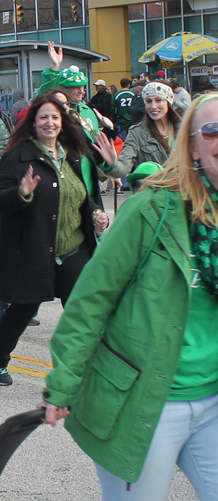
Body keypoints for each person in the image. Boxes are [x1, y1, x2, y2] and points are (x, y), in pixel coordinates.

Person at [38, 92, 218, 501]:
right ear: (191, 146)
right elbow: (91, 300)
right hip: (141, 399)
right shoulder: (151, 210)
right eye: (211, 130)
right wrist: (63, 385)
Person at [0, 93, 108, 387]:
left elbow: (84, 198)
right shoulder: (17, 157)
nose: (50, 122)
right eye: (43, 117)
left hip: (74, 249)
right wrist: (21, 193)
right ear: (33, 123)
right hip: (35, 250)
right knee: (21, 312)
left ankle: (90, 369)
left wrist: (98, 214)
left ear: (63, 123)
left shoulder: (75, 155)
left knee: (83, 312)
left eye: (55, 117)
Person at [37, 41, 113, 204]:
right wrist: (54, 67)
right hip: (66, 180)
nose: (81, 91)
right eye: (75, 87)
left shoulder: (88, 111)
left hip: (89, 177)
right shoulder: (55, 113)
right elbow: (43, 97)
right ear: (62, 89)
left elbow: (96, 143)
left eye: (82, 86)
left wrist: (110, 168)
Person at [95, 82, 180, 179]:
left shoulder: (185, 128)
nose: (153, 106)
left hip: (184, 191)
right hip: (153, 191)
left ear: (168, 102)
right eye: (148, 101)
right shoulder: (137, 132)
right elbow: (123, 168)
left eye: (159, 100)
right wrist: (112, 164)